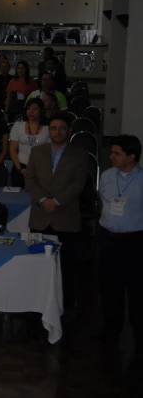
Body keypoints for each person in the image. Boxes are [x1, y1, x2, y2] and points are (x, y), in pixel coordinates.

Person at [25, 114, 89, 311]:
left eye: (62, 128)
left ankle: (65, 310)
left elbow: (78, 184)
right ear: (48, 130)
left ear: (69, 131)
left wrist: (57, 201)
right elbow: (30, 180)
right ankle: (36, 310)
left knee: (66, 268)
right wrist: (44, 200)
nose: (57, 132)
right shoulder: (37, 151)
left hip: (65, 217)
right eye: (53, 128)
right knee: (37, 268)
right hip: (40, 216)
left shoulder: (80, 155)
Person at [98, 135, 143, 351]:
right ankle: (110, 330)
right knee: (109, 287)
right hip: (108, 238)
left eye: (117, 153)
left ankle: (138, 334)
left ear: (131, 157)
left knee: (135, 290)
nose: (111, 156)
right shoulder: (106, 176)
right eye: (112, 152)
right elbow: (103, 200)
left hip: (133, 241)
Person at [9, 98, 49, 187]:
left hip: (40, 169)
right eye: (28, 109)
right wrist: (20, 169)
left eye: (34, 109)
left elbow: (50, 152)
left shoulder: (48, 128)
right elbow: (13, 149)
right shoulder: (18, 125)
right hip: (20, 167)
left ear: (41, 111)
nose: (31, 111)